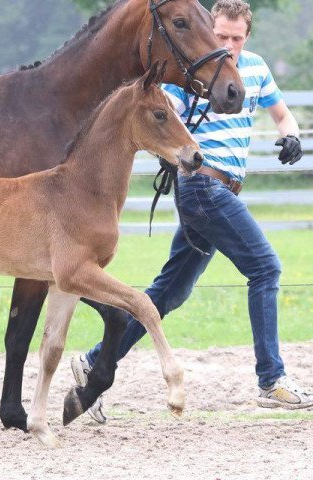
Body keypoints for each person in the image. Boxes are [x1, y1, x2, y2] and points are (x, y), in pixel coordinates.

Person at [71, 0, 311, 424]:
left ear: (247, 37)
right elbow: (170, 113)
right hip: (203, 187)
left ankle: (94, 364)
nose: (229, 45)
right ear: (208, 31)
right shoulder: (194, 74)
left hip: (224, 192)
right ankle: (271, 380)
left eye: (237, 38)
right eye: (221, 36)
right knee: (265, 268)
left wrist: (290, 135)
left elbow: (281, 112)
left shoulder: (253, 69)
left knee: (169, 292)